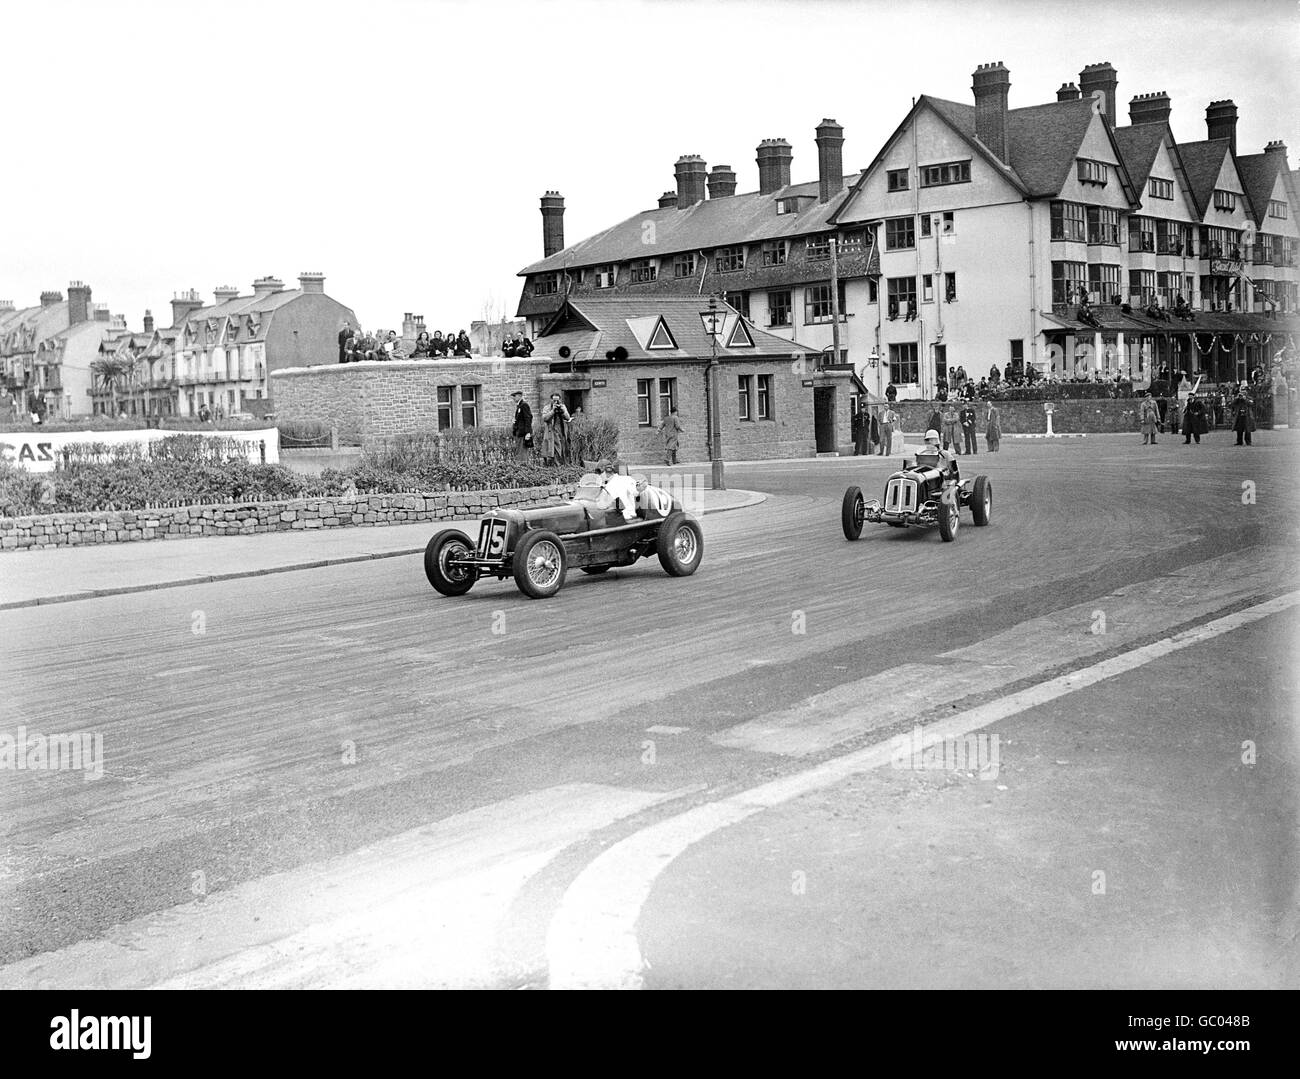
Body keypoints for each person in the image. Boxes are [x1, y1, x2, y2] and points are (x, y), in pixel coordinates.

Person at [541, 392, 571, 464]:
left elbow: (568, 418)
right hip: (551, 430)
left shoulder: (563, 406)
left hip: (561, 430)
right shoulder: (547, 407)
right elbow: (545, 418)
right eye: (554, 400)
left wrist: (563, 411)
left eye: (557, 400)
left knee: (563, 447)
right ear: (551, 400)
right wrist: (552, 411)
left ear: (560, 400)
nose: (556, 402)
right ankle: (554, 464)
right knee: (552, 448)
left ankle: (562, 463)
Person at [510, 390, 533, 462]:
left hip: (523, 432)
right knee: (519, 450)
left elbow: (528, 418)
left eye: (515, 396)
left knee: (522, 451)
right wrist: (515, 421)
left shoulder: (524, 405)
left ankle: (523, 467)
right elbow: (521, 419)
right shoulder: (519, 406)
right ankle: (521, 467)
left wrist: (528, 433)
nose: (513, 398)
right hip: (519, 432)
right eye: (513, 396)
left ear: (520, 396)